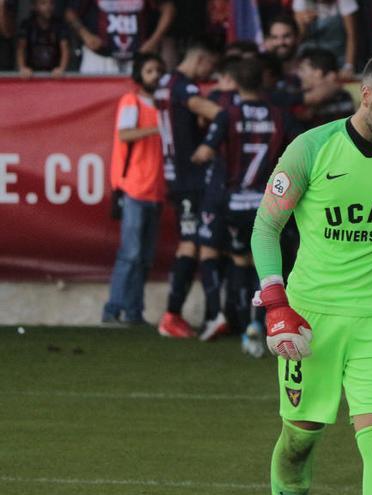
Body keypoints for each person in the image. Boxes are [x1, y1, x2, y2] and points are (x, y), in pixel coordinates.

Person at [250, 47, 372, 494]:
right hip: (312, 317)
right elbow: (265, 228)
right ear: (366, 95)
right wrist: (276, 302)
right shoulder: (311, 148)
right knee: (299, 443)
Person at [192, 57, 295, 349]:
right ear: (262, 81)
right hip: (267, 204)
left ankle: (238, 323)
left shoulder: (228, 114)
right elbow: (298, 152)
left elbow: (204, 153)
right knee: (264, 264)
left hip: (234, 203)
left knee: (239, 259)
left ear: (235, 83)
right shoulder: (279, 115)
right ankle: (256, 325)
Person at [154, 37, 223, 338]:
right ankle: (174, 315)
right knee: (193, 243)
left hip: (175, 174)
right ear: (200, 59)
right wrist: (210, 142)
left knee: (192, 242)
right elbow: (218, 114)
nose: (210, 73)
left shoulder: (164, 82)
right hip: (191, 176)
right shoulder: (185, 87)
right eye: (210, 66)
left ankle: (187, 315)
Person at [102, 53, 167, 325]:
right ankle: (114, 308)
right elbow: (124, 133)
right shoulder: (131, 102)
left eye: (158, 70)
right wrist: (156, 128)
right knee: (130, 254)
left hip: (155, 190)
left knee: (144, 258)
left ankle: (134, 311)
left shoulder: (162, 106)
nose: (155, 75)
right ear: (140, 75)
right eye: (150, 70)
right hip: (134, 189)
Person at [65, 0, 175, 74]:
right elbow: (70, 11)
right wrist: (85, 35)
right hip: (99, 56)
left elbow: (168, 8)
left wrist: (154, 40)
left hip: (137, 57)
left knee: (136, 104)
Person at [293, 0, 358, 79]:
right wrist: (303, 25)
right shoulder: (302, 2)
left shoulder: (343, 2)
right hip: (309, 60)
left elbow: (352, 36)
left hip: (337, 59)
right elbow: (297, 38)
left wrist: (348, 66)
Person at [295, 47, 355, 128]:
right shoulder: (298, 96)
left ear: (318, 73)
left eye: (302, 69)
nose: (299, 74)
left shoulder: (343, 96)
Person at [16, 0, 70, 78]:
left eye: (51, 3)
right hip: (32, 74)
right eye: (43, 3)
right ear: (34, 6)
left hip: (54, 73)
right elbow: (20, 49)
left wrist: (61, 69)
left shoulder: (59, 25)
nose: (48, 7)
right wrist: (22, 68)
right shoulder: (27, 25)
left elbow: (65, 49)